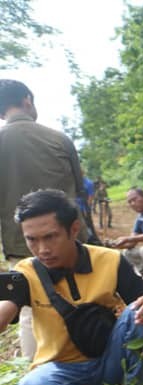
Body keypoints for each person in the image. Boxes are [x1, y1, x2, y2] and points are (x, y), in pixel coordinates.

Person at [0, 190, 143, 385]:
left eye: (50, 237)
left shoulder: (110, 261)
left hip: (114, 360)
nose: (42, 249)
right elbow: (4, 311)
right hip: (64, 371)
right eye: (31, 240)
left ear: (74, 229)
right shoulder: (25, 273)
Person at [0, 80, 95, 361]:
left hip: (22, 245)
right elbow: (80, 193)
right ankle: (92, 364)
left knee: (30, 311)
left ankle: (42, 374)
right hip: (69, 240)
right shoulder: (58, 139)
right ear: (27, 100)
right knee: (86, 299)